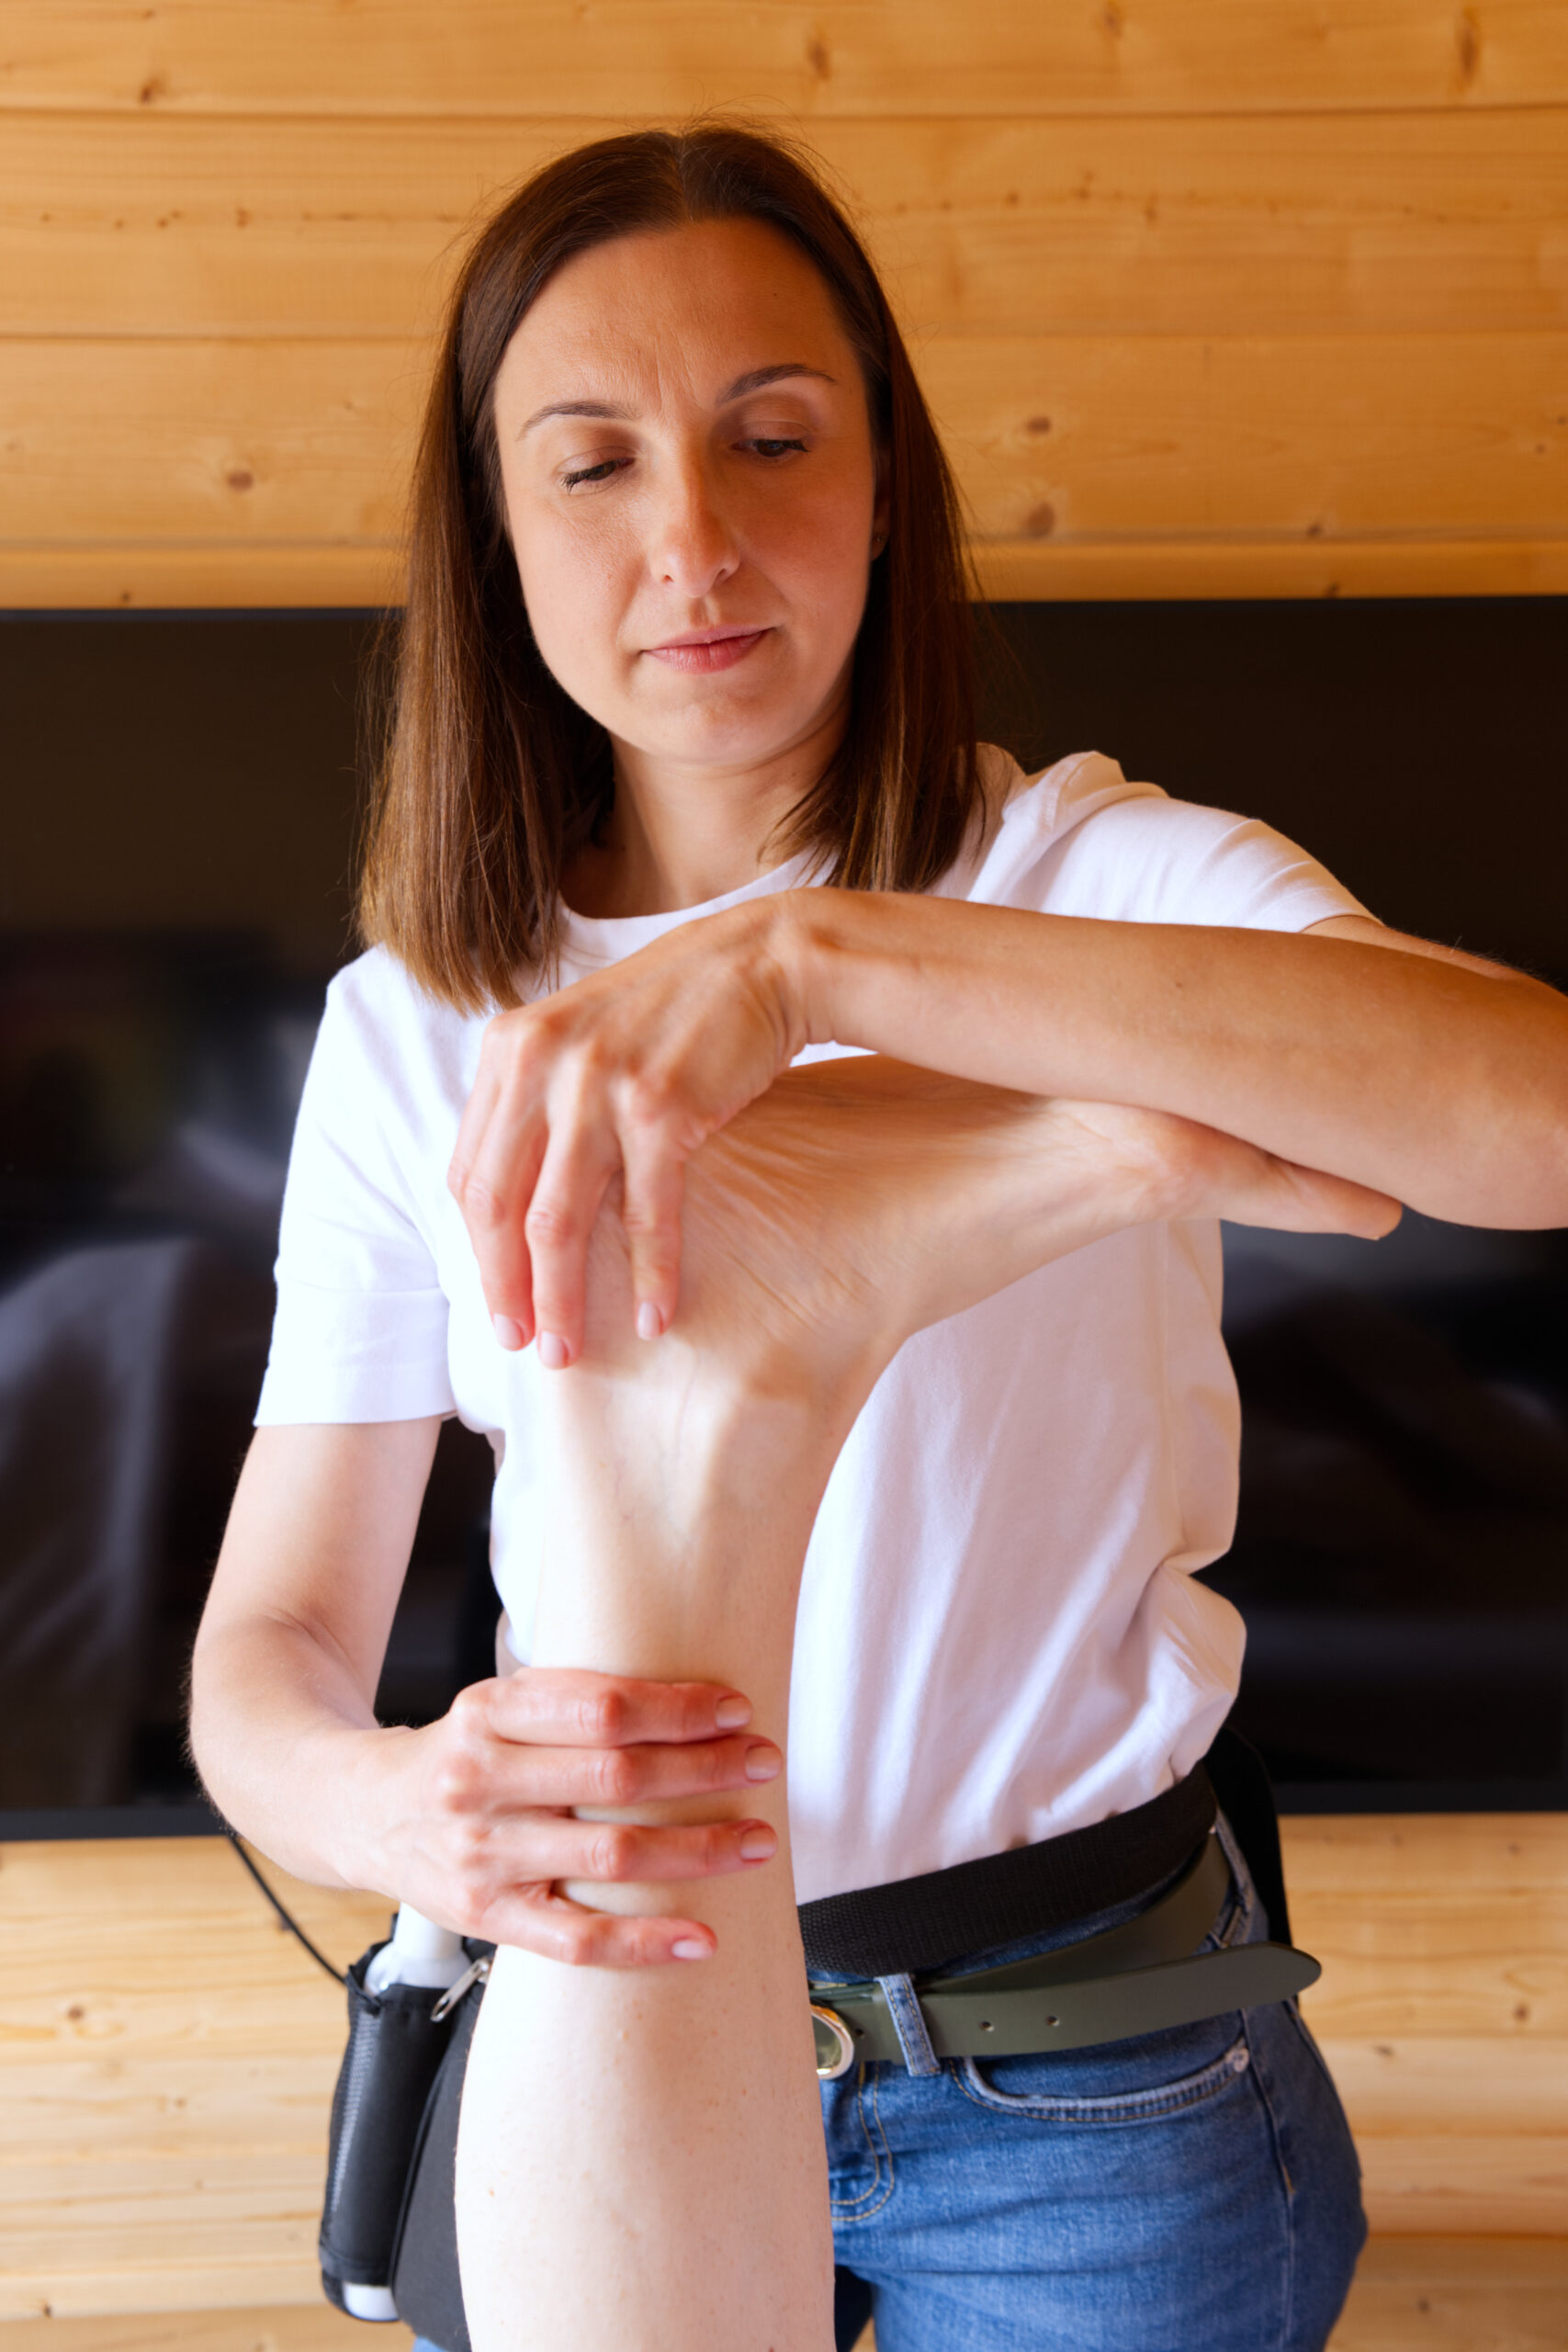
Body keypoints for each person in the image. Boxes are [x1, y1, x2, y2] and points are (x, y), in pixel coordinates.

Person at [188, 124, 1568, 2352]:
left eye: (771, 438)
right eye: (595, 464)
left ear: (888, 480)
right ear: (495, 533)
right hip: (603, 2022)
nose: (695, 539)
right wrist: (404, 1805)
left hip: (1078, 2072)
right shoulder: (415, 1029)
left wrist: (826, 963)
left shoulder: (1091, 875)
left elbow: (1533, 1116)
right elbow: (267, 1653)